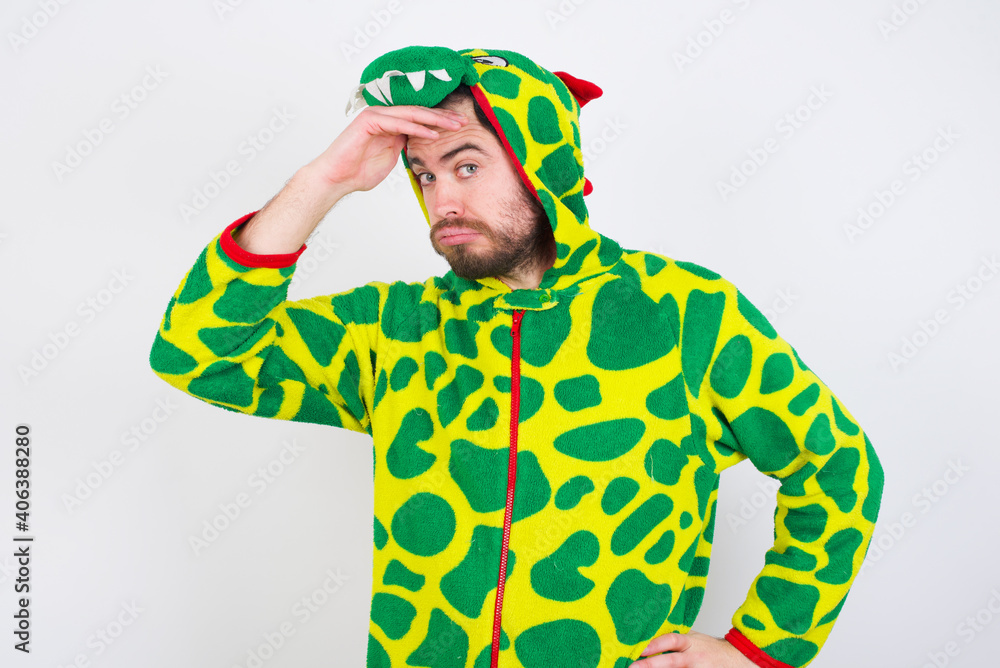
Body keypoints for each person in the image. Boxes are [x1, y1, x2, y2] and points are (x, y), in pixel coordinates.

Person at [149, 45, 884, 668]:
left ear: (542, 164)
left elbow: (837, 466)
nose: (441, 201)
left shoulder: (684, 311)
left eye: (466, 166)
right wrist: (325, 182)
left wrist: (759, 650)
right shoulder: (395, 327)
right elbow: (200, 354)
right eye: (425, 175)